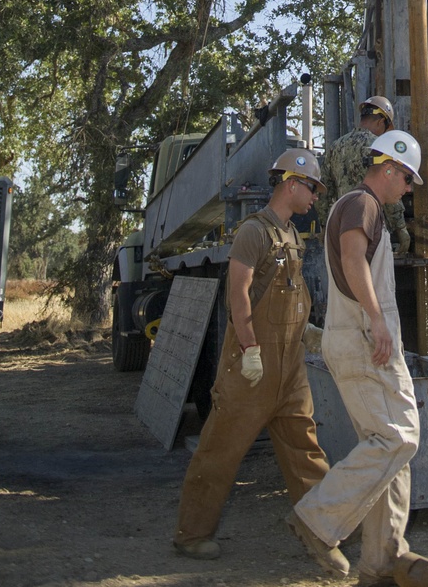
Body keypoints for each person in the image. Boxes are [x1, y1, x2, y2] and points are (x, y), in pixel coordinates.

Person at [173, 149, 329, 560]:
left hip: (289, 369)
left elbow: (291, 297)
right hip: (252, 369)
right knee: (220, 451)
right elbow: (237, 296)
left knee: (306, 454)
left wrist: (307, 331)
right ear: (291, 183)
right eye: (311, 187)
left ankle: (326, 530)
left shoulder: (293, 236)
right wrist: (250, 350)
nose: (314, 196)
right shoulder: (253, 232)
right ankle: (191, 535)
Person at [289, 130, 422, 585]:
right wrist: (377, 320)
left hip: (361, 336)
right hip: (366, 339)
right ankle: (318, 520)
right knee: (400, 438)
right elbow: (352, 260)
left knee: (390, 450)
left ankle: (382, 562)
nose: (408, 189)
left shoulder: (363, 209)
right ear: (389, 168)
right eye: (407, 179)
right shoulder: (361, 204)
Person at [321, 95, 410, 255]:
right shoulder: (379, 148)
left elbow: (324, 194)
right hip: (373, 227)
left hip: (343, 230)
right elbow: (388, 187)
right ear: (381, 121)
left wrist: (325, 226)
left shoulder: (335, 147)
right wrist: (401, 230)